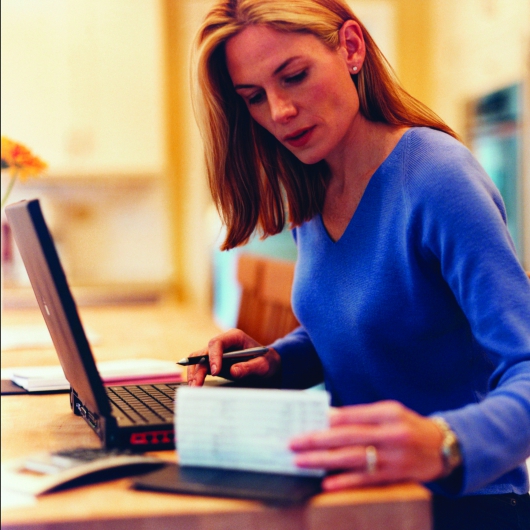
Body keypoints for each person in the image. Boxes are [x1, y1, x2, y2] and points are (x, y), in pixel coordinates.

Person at [186, 1, 530, 528]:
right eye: (253, 97)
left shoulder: (436, 178)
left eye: (294, 76)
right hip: (360, 499)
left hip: (466, 505)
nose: (278, 112)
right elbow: (371, 326)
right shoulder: (315, 187)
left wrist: (444, 443)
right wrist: (278, 360)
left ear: (350, 47)